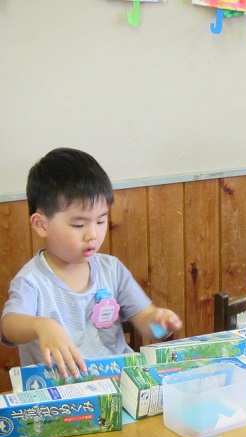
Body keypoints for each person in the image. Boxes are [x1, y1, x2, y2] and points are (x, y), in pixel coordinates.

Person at [1, 148, 183, 379]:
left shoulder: (112, 269)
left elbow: (147, 325)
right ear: (41, 225)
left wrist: (161, 324)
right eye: (79, 225)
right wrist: (41, 325)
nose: (93, 235)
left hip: (118, 383)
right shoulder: (32, 281)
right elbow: (9, 326)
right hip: (62, 392)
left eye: (101, 221)